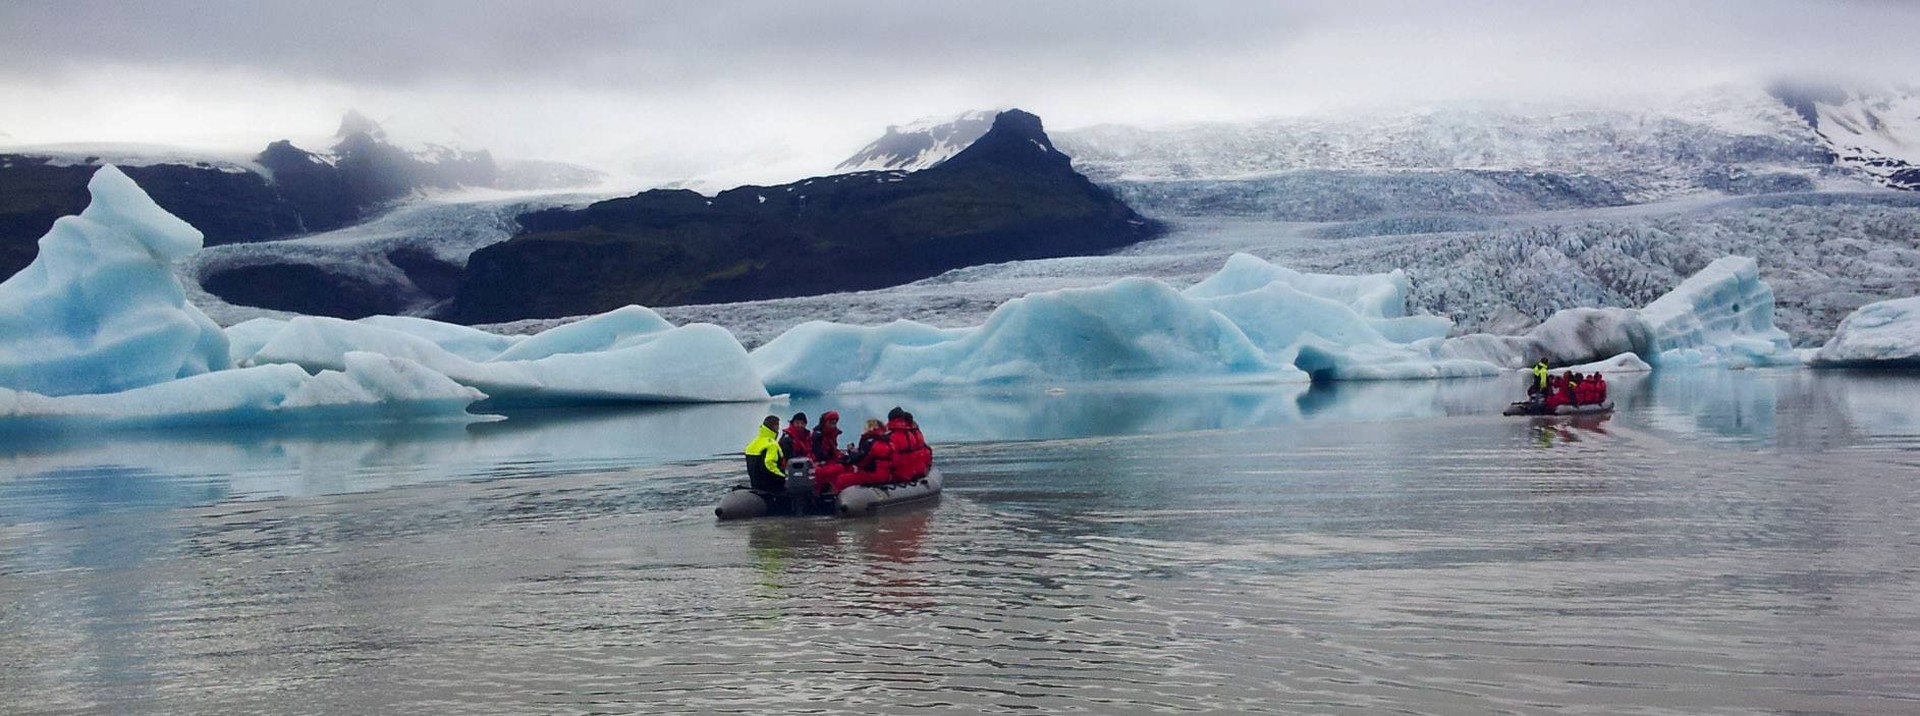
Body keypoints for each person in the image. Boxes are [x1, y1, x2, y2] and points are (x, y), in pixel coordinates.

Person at [743, 415, 785, 492]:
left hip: (755, 485)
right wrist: (784, 477)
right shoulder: (771, 444)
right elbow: (769, 465)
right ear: (773, 426)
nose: (778, 428)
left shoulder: (752, 443)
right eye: (777, 425)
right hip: (771, 487)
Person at [812, 411, 848, 487]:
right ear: (824, 422)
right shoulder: (818, 435)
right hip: (820, 462)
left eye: (834, 423)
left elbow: (833, 450)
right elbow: (818, 454)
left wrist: (841, 456)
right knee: (839, 467)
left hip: (828, 459)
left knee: (847, 464)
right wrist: (837, 459)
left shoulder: (831, 434)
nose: (833, 425)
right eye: (831, 423)